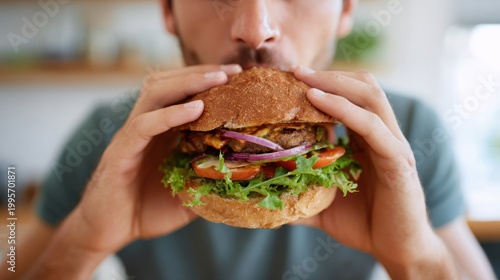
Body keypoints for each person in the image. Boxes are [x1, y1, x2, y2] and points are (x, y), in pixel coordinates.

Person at [1, 0, 496, 279]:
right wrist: (83, 243)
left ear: (346, 9)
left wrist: (414, 260)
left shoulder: (401, 132)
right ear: (169, 11)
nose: (255, 30)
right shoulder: (116, 135)